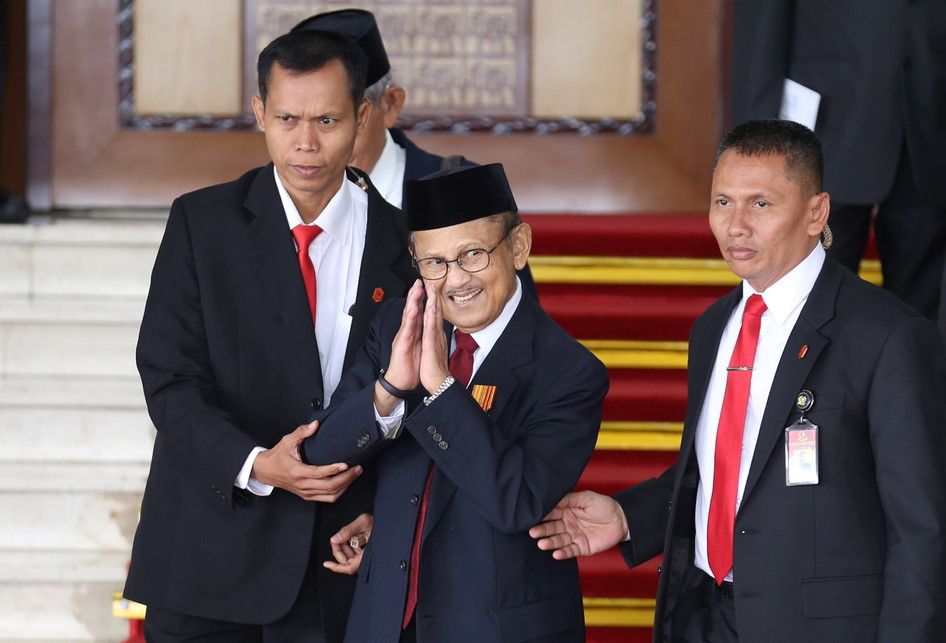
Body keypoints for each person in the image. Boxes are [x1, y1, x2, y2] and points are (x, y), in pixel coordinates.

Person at [530, 120, 946, 642]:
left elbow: (923, 531)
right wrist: (628, 516)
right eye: (722, 202)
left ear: (816, 212)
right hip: (705, 617)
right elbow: (726, 474)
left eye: (761, 204)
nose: (736, 226)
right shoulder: (714, 327)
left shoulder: (889, 337)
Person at [124, 29, 417, 642]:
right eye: (287, 118)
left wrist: (386, 517)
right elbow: (169, 378)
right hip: (209, 553)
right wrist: (257, 464)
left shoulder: (408, 242)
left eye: (328, 119)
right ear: (258, 112)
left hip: (342, 558)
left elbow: (430, 396)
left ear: (363, 117)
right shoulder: (201, 224)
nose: (306, 142)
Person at [301, 163, 609, 642]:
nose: (455, 280)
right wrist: (391, 389)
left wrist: (442, 390)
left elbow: (516, 500)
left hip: (494, 628)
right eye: (434, 263)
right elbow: (319, 454)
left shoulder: (567, 371)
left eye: (472, 255)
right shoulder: (397, 329)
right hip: (384, 622)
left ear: (519, 247)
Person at [290, 8, 539, 300]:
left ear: (391, 104)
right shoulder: (271, 200)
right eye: (293, 118)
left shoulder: (463, 193)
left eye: (332, 116)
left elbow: (516, 324)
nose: (311, 140)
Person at [730, 0, 946, 320]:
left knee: (920, 314)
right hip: (825, 127)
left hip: (929, 124)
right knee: (808, 304)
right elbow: (760, 24)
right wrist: (757, 143)